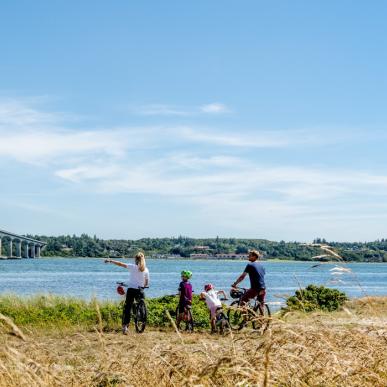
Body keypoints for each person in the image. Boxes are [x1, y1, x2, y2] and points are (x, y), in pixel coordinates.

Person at [105, 252, 149, 334]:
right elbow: (146, 283)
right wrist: (142, 286)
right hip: (140, 290)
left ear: (135, 259)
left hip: (131, 290)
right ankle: (142, 319)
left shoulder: (133, 267)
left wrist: (110, 260)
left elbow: (120, 264)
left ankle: (125, 327)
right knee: (142, 305)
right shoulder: (146, 269)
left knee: (128, 308)